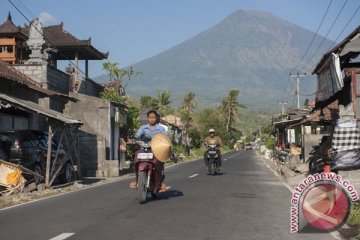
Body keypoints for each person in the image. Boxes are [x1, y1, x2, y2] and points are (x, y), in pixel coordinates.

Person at [130, 110, 167, 192]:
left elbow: (165, 138)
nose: (152, 119)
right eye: (150, 117)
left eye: (153, 117)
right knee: (136, 155)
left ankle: (160, 181)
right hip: (144, 149)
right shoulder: (143, 128)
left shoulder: (161, 129)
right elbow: (137, 135)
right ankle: (136, 179)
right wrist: (134, 140)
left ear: (156, 118)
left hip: (156, 150)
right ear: (148, 118)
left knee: (159, 161)